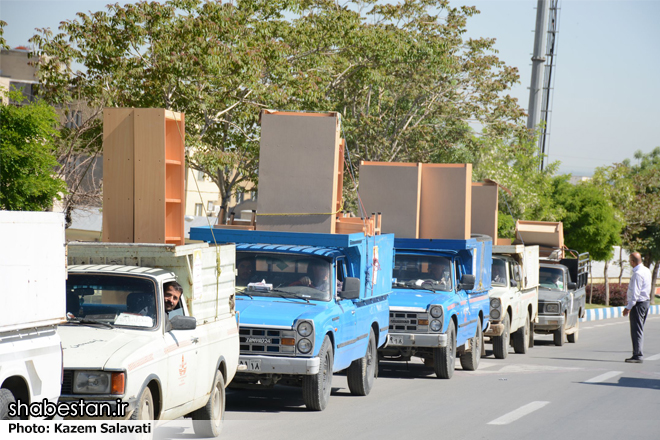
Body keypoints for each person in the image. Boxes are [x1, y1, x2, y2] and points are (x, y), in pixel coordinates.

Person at [622, 252, 651, 363]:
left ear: (633, 262)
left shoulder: (637, 274)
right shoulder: (646, 270)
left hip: (638, 304)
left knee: (636, 330)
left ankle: (638, 355)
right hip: (645, 302)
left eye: (630, 261)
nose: (630, 263)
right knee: (639, 329)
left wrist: (628, 307)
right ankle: (637, 353)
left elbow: (635, 294)